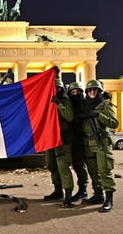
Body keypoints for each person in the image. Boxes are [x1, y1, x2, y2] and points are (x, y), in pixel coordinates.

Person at [80, 80, 118, 212]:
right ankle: (98, 194)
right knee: (93, 171)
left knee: (104, 170)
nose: (92, 92)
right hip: (88, 143)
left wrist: (98, 115)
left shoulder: (105, 105)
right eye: (89, 90)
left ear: (99, 91)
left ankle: (109, 199)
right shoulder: (85, 105)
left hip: (101, 142)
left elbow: (114, 123)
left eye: (94, 90)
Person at [44, 79, 74, 208]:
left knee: (63, 168)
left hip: (62, 140)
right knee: (52, 166)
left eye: (58, 88)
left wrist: (59, 104)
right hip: (50, 140)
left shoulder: (66, 102)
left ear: (62, 90)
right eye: (54, 88)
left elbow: (69, 116)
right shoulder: (47, 103)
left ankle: (68, 195)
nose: (56, 90)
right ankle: (58, 191)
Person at [67, 82, 89, 201]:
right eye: (73, 92)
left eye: (78, 92)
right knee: (76, 165)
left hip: (84, 140)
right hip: (73, 140)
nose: (75, 94)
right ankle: (82, 190)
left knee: (83, 167)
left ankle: (84, 190)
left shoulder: (85, 104)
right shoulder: (69, 105)